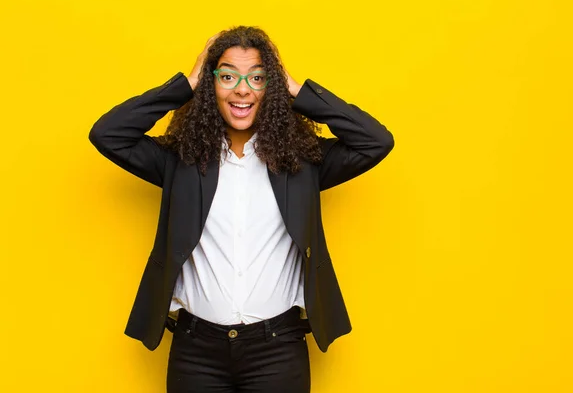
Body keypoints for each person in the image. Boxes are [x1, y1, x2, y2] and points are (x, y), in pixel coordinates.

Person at [89, 26, 394, 393]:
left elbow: (375, 141)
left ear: (272, 88)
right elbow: (108, 133)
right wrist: (186, 82)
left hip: (278, 349)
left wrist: (297, 90)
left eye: (258, 78)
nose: (243, 89)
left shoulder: (302, 163)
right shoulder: (180, 161)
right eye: (228, 76)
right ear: (211, 84)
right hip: (196, 351)